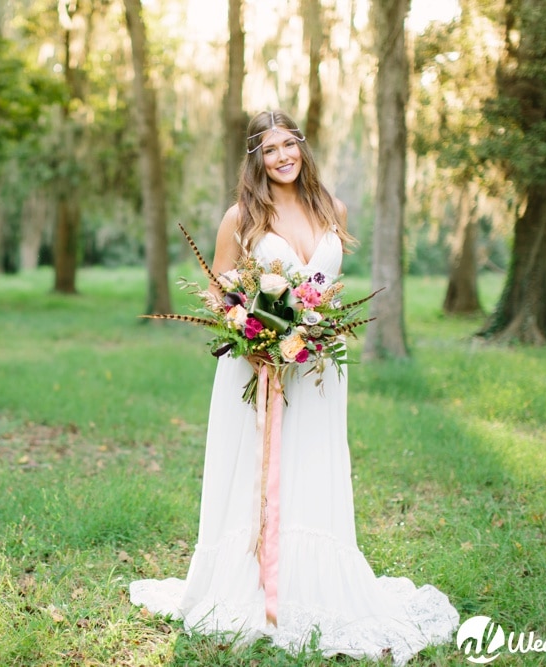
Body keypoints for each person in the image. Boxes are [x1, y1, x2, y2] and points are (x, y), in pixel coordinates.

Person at [129, 110, 460, 665]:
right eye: (269, 148)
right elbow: (218, 290)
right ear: (255, 157)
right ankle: (251, 583)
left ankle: (311, 583)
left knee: (314, 464)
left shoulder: (333, 209)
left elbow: (328, 288)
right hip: (259, 364)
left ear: (302, 148)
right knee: (258, 469)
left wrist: (312, 324)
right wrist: (249, 325)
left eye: (290, 144)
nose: (282, 156)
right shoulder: (241, 217)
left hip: (320, 366)